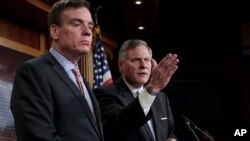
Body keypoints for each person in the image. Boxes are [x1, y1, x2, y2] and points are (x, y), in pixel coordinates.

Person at [10, 0, 103, 141]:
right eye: (77, 24)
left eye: (90, 26)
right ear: (55, 31)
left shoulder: (80, 78)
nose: (88, 32)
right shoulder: (33, 72)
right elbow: (38, 136)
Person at [94, 39, 179, 141]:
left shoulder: (161, 97)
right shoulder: (105, 94)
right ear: (121, 65)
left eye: (147, 60)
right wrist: (152, 89)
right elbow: (117, 128)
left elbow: (170, 132)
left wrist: (172, 139)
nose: (143, 65)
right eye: (136, 60)